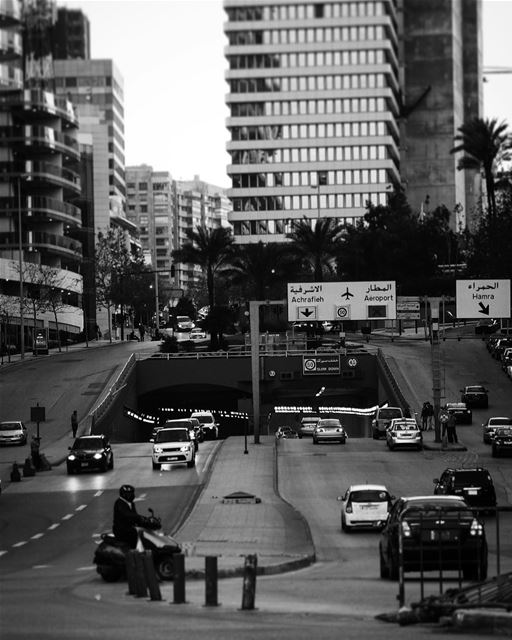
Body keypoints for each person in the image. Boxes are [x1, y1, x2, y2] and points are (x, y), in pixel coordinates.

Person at [112, 484, 147, 549]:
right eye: (128, 494)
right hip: (122, 530)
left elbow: (134, 515)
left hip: (129, 528)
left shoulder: (130, 503)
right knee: (135, 539)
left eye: (131, 493)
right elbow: (128, 515)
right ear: (123, 494)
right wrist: (140, 518)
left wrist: (144, 521)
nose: (131, 496)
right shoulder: (120, 503)